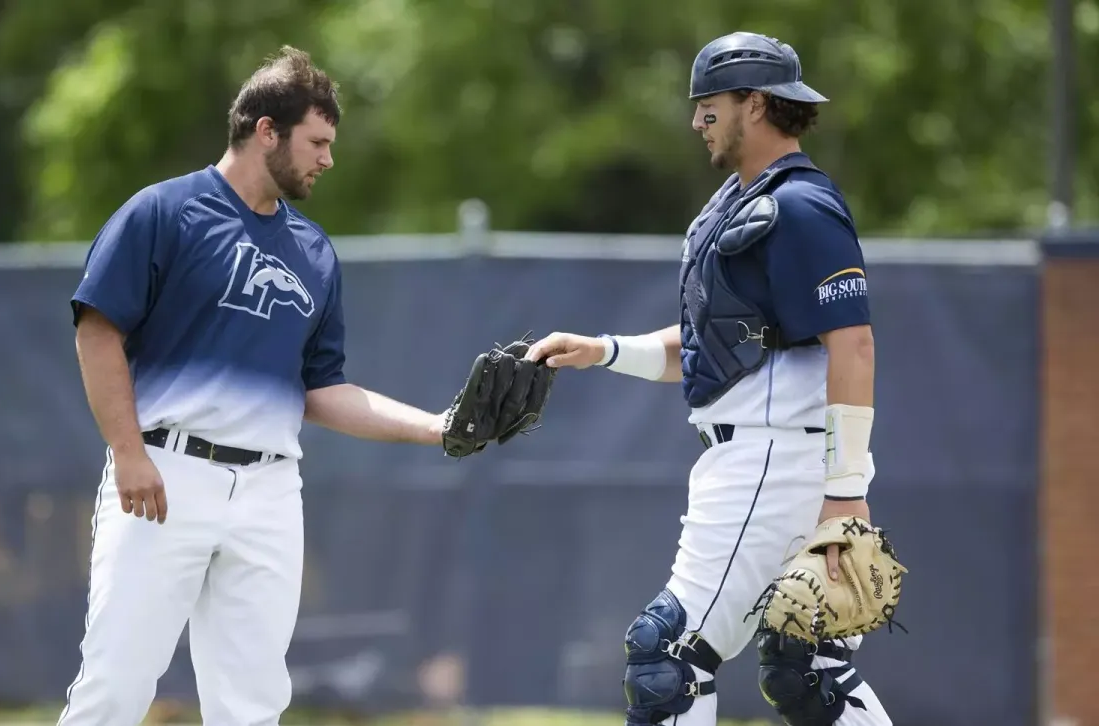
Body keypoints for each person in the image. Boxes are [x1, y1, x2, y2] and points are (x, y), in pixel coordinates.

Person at [58, 46, 459, 725]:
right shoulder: (164, 213)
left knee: (251, 703)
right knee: (116, 687)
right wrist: (127, 452)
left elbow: (321, 388)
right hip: (165, 472)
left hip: (271, 490)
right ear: (265, 130)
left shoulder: (313, 252)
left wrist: (436, 426)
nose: (328, 159)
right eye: (317, 141)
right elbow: (97, 332)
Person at [525, 32, 892, 726]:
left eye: (710, 106)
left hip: (773, 460)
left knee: (668, 657)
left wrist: (847, 493)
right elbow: (711, 347)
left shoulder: (801, 206)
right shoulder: (742, 202)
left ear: (755, 104)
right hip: (773, 457)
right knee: (807, 671)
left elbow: (856, 344)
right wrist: (603, 350)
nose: (697, 121)